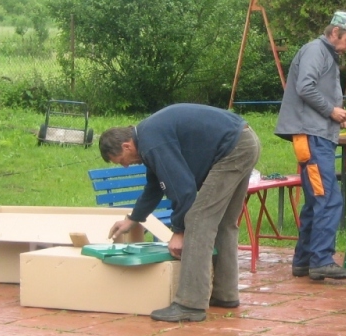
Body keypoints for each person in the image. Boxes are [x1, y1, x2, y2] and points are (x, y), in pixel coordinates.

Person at [100, 103, 261, 322]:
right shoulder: (149, 136)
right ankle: (225, 294)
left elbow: (183, 190)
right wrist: (133, 219)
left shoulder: (152, 143)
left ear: (127, 146)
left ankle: (190, 304)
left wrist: (179, 231)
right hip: (243, 141)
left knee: (198, 219)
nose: (126, 166)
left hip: (232, 150)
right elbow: (155, 186)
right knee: (223, 222)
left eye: (121, 161)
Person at [274, 11, 346, 281]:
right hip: (312, 138)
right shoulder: (316, 50)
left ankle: (304, 261)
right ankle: (322, 261)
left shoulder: (326, 54)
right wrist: (332, 112)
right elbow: (305, 87)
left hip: (317, 135)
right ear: (335, 32)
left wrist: (338, 117)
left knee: (316, 199)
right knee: (328, 198)